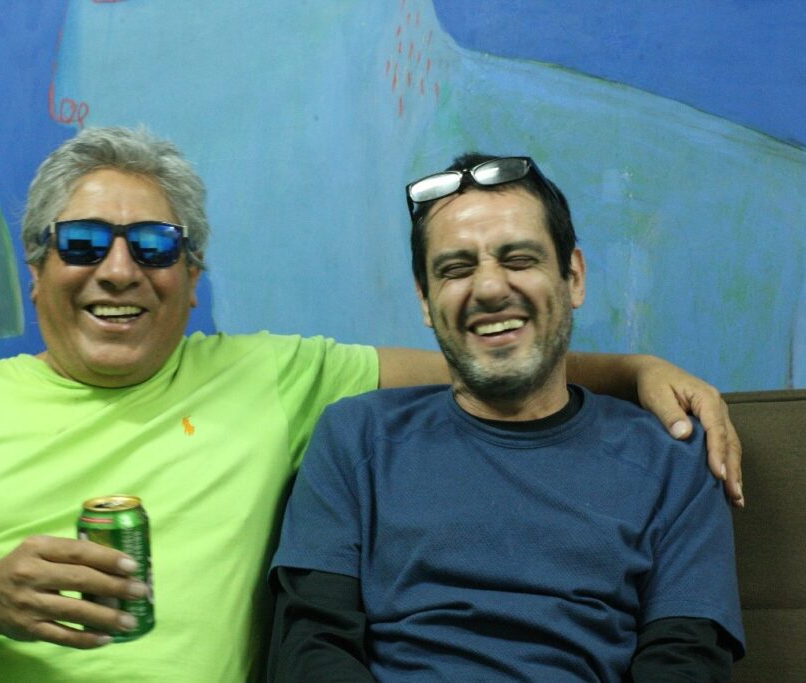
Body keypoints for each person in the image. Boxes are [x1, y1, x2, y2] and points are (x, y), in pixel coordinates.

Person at [0, 129, 741, 683]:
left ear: (192, 275)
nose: (118, 270)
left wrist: (633, 369)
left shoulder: (275, 377)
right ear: (36, 267)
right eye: (82, 242)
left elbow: (491, 354)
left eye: (154, 245)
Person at [268, 154, 746, 681]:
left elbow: (685, 664)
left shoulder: (674, 458)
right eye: (456, 269)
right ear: (426, 300)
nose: (491, 289)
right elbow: (311, 650)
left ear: (574, 277)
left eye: (518, 260)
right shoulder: (354, 440)